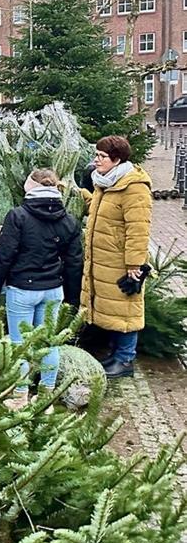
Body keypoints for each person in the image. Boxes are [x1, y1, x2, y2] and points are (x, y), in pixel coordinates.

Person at [0, 168, 83, 406]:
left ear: (31, 186)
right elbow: (74, 262)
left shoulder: (17, 216)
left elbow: (4, 255)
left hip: (22, 289)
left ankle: (20, 396)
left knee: (20, 344)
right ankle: (45, 396)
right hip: (53, 290)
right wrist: (72, 297)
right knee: (50, 343)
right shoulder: (68, 220)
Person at [80, 136, 153, 378]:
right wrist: (77, 193)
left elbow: (138, 229)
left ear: (117, 159)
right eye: (97, 155)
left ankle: (125, 360)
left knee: (125, 308)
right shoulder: (106, 183)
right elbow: (99, 210)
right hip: (105, 259)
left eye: (102, 156)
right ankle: (115, 354)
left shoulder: (134, 188)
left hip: (122, 262)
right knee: (113, 307)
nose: (96, 160)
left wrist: (134, 264)